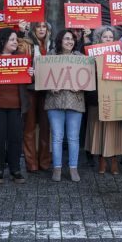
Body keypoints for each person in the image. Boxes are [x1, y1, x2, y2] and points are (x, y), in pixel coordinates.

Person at [0, 28, 34, 184]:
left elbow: (28, 81)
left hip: (16, 106)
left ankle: (15, 169)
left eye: (16, 40)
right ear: (3, 41)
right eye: (12, 39)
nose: (15, 42)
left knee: (15, 138)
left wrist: (31, 74)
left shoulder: (22, 58)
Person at [45, 29, 87, 183]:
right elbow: (43, 76)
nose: (70, 41)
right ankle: (57, 168)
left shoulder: (81, 58)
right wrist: (50, 86)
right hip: (55, 100)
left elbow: (88, 76)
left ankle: (73, 168)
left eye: (72, 39)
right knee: (57, 137)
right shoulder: (51, 56)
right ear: (59, 40)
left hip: (75, 100)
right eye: (66, 38)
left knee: (73, 138)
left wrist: (81, 86)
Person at [84, 25, 122, 175]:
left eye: (110, 37)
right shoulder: (91, 53)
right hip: (96, 97)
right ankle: (101, 159)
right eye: (105, 37)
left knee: (113, 128)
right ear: (99, 39)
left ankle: (113, 159)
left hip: (114, 96)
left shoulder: (119, 52)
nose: (108, 39)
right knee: (99, 126)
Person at [22, 21, 52, 173]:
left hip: (46, 90)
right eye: (38, 27)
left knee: (46, 127)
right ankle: (31, 162)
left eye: (44, 27)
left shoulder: (51, 45)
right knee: (29, 126)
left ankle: (45, 161)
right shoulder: (26, 43)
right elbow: (19, 59)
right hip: (31, 89)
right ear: (33, 29)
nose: (41, 29)